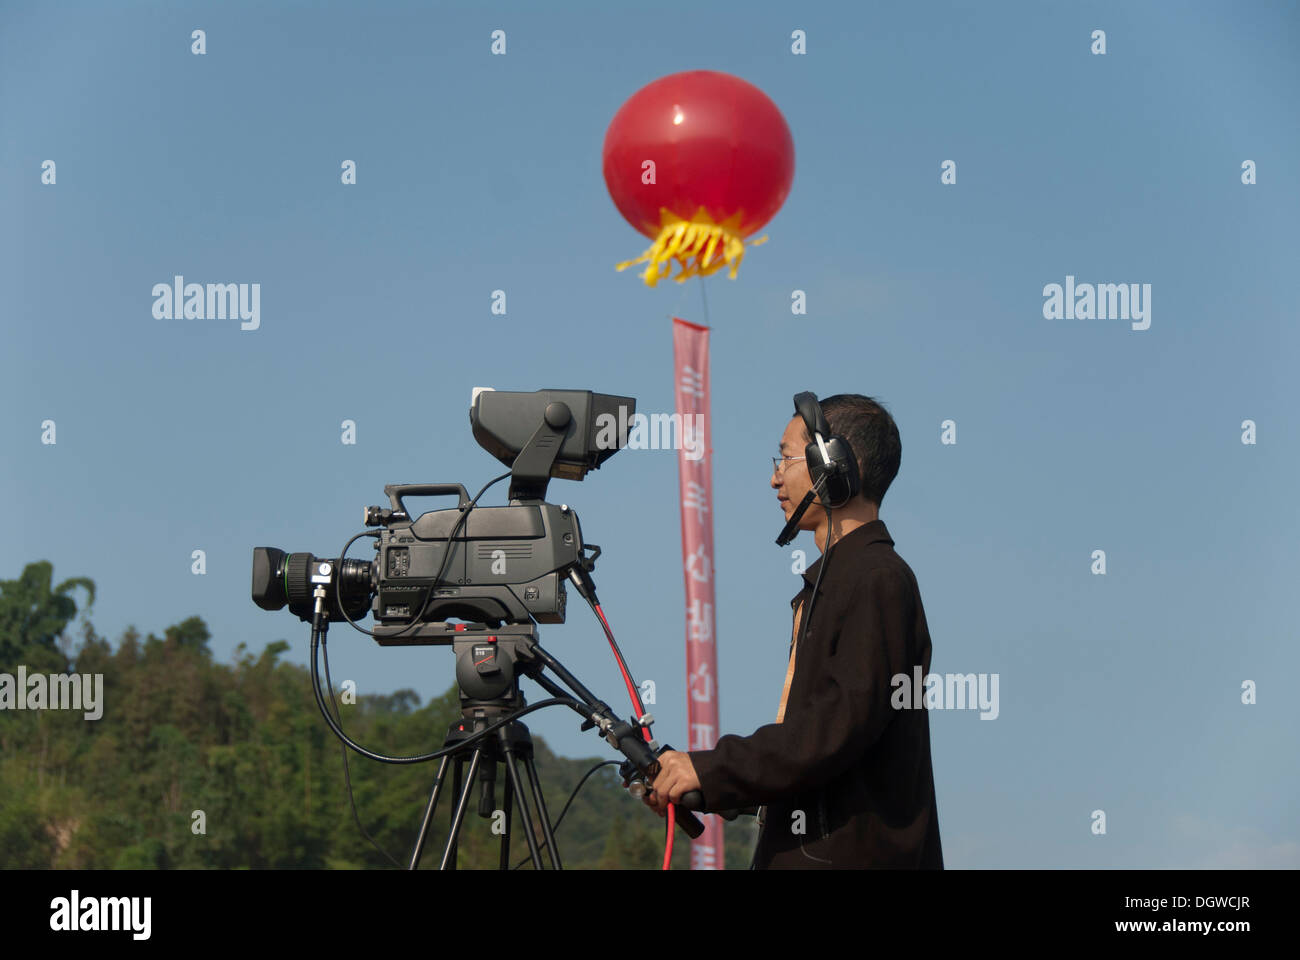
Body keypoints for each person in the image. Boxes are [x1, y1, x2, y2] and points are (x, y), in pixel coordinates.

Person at [643, 394, 943, 868]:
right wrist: (706, 785)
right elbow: (811, 750)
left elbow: (832, 731)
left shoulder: (878, 579)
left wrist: (708, 767)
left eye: (785, 458)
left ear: (834, 463)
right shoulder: (834, 581)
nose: (774, 477)